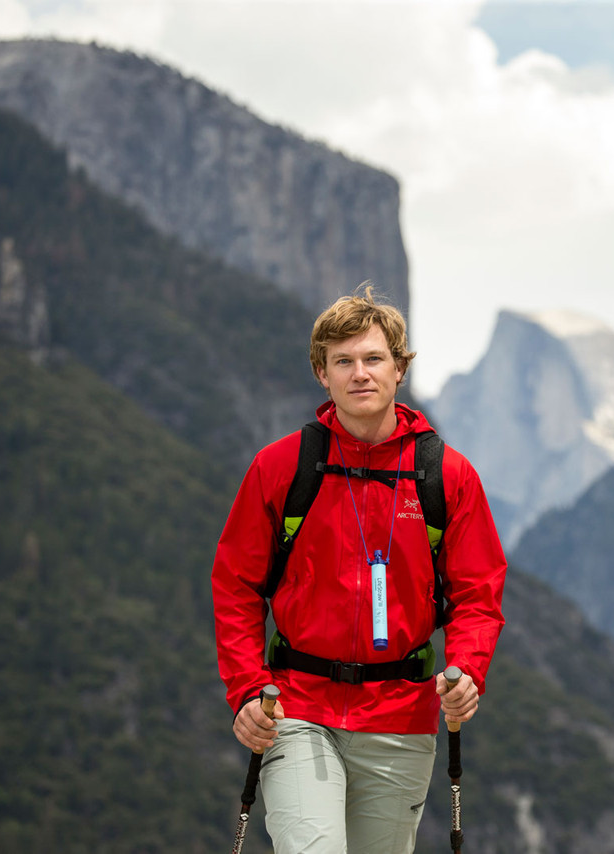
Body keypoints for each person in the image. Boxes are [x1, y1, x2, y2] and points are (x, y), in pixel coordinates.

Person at [212, 285, 507, 853]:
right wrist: (249, 689)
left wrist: (467, 669)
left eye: (373, 359)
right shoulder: (283, 467)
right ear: (322, 374)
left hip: (400, 717)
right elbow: (236, 586)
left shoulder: (445, 476)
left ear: (401, 368)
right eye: (342, 361)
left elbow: (477, 596)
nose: (360, 373)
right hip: (297, 709)